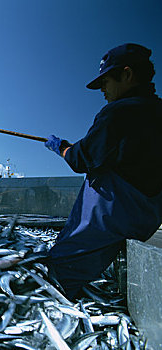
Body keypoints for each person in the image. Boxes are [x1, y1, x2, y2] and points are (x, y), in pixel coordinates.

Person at [44, 43, 162, 299]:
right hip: (148, 217)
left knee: (57, 275)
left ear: (127, 74)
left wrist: (60, 147)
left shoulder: (119, 111)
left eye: (106, 82)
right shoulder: (156, 110)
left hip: (115, 213)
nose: (103, 91)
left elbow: (80, 159)